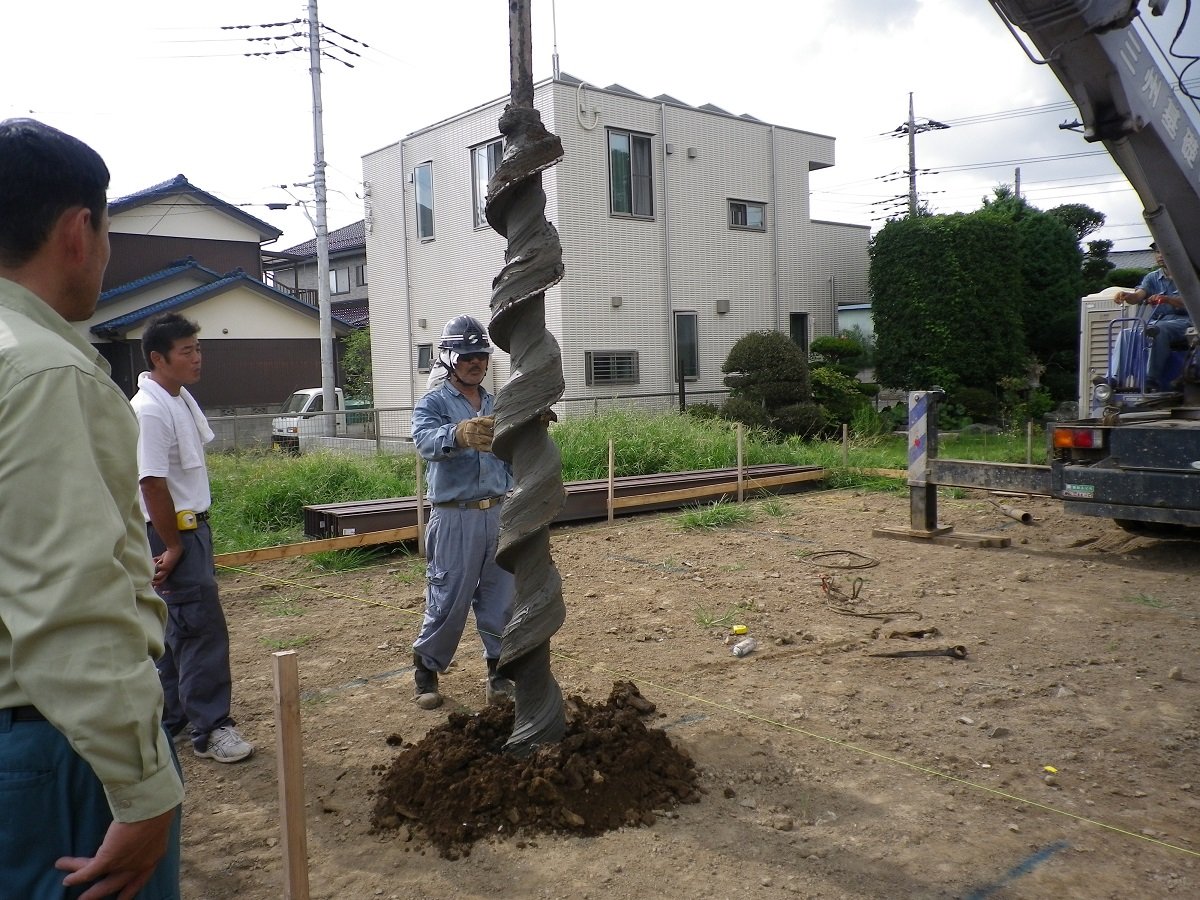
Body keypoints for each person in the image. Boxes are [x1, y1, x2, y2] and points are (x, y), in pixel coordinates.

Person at [0, 118, 184, 898]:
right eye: (110, 231)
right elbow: (72, 601)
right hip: (57, 746)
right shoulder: (47, 373)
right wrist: (140, 788)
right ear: (80, 231)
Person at [132, 312, 255, 764]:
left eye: (198, 348)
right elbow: (151, 483)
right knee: (200, 629)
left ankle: (174, 718)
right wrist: (175, 545)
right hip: (172, 532)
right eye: (187, 351)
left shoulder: (176, 399)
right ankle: (211, 728)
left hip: (183, 529)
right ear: (158, 358)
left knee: (176, 629)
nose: (197, 358)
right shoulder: (150, 409)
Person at [410, 315, 515, 709]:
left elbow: (509, 457)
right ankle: (426, 669)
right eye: (468, 355)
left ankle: (499, 674)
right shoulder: (434, 403)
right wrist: (457, 433)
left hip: (497, 513)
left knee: (501, 598)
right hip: (455, 516)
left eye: (482, 355)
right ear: (450, 357)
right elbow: (423, 441)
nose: (476, 362)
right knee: (448, 597)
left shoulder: (495, 402)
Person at [1114, 243, 1192, 390]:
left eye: (1164, 251)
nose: (1160, 255)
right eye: (1157, 252)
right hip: (1157, 321)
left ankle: (1151, 378)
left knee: (1157, 330)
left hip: (1185, 322)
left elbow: (1191, 301)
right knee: (1127, 334)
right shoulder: (1152, 277)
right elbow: (1138, 296)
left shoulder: (1187, 275)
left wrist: (1168, 299)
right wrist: (1126, 296)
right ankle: (1114, 378)